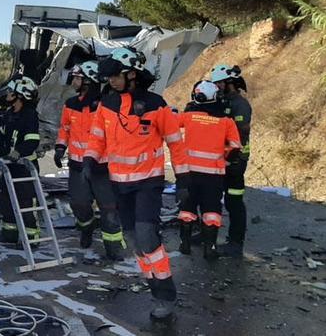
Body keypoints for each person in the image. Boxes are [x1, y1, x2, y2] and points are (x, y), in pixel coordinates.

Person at [84, 47, 186, 320]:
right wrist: (90, 160)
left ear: (132, 73)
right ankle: (153, 281)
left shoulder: (156, 104)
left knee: (146, 236)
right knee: (133, 240)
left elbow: (176, 144)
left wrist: (184, 179)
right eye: (109, 78)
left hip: (148, 183)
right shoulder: (107, 104)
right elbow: (97, 138)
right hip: (120, 184)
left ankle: (164, 295)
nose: (112, 82)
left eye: (116, 76)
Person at [55, 62, 124, 260]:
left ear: (89, 80)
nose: (74, 82)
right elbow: (65, 129)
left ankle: (113, 246)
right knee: (78, 203)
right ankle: (86, 227)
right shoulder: (70, 104)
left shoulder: (108, 104)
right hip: (77, 166)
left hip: (102, 167)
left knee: (109, 207)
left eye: (77, 78)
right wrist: (60, 148)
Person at [176, 81, 242, 260]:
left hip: (189, 173)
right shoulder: (226, 121)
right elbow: (235, 147)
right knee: (212, 211)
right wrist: (225, 160)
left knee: (187, 209)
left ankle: (185, 243)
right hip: (214, 175)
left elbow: (170, 125)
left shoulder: (189, 116)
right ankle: (210, 247)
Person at [210, 64, 252, 258]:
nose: (217, 87)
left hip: (235, 162)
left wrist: (232, 159)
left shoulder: (240, 105)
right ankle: (207, 236)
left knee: (234, 201)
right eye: (215, 84)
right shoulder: (221, 101)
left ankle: (235, 243)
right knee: (211, 199)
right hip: (219, 160)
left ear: (230, 84)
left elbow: (239, 135)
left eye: (219, 83)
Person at [0, 76, 41, 244]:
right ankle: (9, 234)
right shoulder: (9, 114)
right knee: (6, 202)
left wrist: (18, 152)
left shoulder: (29, 116)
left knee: (26, 203)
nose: (7, 95)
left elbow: (32, 141)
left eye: (11, 92)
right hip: (10, 166)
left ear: (20, 95)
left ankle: (31, 238)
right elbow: (1, 138)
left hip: (25, 167)